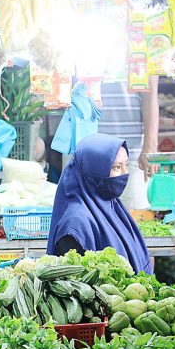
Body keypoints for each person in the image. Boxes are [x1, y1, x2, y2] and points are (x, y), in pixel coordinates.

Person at [47, 133, 153, 274]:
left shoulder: (111, 205)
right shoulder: (75, 224)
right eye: (116, 167)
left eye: (126, 165)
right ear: (93, 170)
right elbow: (79, 285)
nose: (124, 174)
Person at [97, 76, 159, 209]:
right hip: (82, 151)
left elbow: (150, 96)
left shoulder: (143, 55)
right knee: (83, 223)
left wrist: (150, 146)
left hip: (130, 153)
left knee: (134, 219)